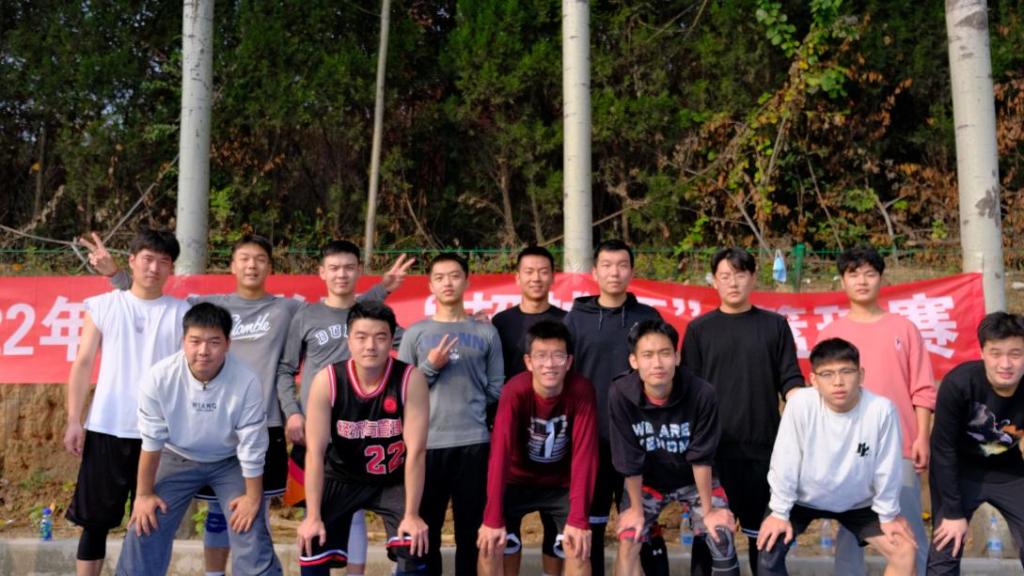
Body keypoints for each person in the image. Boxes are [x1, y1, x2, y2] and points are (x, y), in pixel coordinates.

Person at [87, 234, 412, 576]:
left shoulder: (284, 315)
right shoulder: (194, 325)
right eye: (244, 258)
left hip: (248, 437)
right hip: (183, 450)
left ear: (271, 267)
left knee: (250, 518)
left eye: (260, 259)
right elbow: (151, 297)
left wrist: (382, 289)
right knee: (164, 516)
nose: (204, 349)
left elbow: (340, 308)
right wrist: (115, 276)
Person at [276, 240, 411, 575]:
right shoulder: (306, 315)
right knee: (321, 510)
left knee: (358, 509)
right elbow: (285, 369)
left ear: (359, 270)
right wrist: (293, 412)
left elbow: (411, 342)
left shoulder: (369, 315)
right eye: (334, 268)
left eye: (349, 268)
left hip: (363, 429)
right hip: (318, 430)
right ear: (321, 272)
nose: (341, 275)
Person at [115, 303, 281, 575]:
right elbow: (152, 442)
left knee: (249, 523)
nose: (203, 351)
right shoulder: (159, 378)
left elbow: (252, 446)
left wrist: (253, 498)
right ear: (183, 341)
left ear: (227, 344)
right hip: (176, 455)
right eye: (195, 341)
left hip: (230, 460)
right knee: (146, 521)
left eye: (214, 342)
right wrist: (143, 495)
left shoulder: (246, 381)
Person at [64, 229, 191, 576]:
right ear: (132, 261)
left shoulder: (183, 313)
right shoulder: (103, 306)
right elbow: (83, 363)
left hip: (160, 436)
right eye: (147, 259)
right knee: (94, 523)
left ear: (171, 269)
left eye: (164, 261)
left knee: (150, 523)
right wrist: (74, 419)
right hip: (107, 426)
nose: (154, 268)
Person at [682, 247, 804, 574]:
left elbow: (790, 378)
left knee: (762, 541)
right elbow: (688, 390)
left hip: (764, 450)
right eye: (725, 276)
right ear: (714, 281)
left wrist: (803, 410)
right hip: (713, 453)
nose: (733, 283)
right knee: (709, 539)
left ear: (753, 278)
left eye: (740, 275)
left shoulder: (775, 326)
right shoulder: (699, 330)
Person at [817, 245, 935, 575]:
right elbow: (821, 398)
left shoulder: (904, 328)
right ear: (842, 281)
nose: (862, 281)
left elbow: (922, 389)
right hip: (846, 452)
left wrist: (922, 437)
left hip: (899, 448)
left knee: (909, 531)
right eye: (854, 274)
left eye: (870, 274)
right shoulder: (831, 334)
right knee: (850, 535)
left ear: (881, 279)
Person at [757, 338, 917, 576]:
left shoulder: (881, 409)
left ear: (861, 375)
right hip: (801, 500)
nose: (838, 382)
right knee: (768, 552)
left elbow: (887, 467)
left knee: (904, 550)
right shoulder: (800, 404)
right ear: (814, 380)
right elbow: (785, 461)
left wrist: (888, 514)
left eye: (846, 371)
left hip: (859, 502)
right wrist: (780, 512)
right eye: (827, 374)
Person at [296, 301, 430, 575]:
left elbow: (416, 451)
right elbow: (315, 453)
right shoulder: (328, 380)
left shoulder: (410, 379)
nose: (370, 346)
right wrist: (312, 516)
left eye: (380, 337)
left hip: (392, 480)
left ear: (391, 340)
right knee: (311, 543)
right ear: (349, 340)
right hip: (342, 477)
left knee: (414, 543)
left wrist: (412, 514)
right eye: (361, 337)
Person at [398, 253, 505, 575]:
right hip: (426, 446)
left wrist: (473, 406)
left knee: (471, 534)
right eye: (440, 277)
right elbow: (402, 391)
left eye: (455, 276)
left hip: (474, 444)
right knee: (425, 533)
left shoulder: (486, 332)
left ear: (467, 281)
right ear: (430, 285)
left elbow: (497, 387)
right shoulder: (415, 333)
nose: (448, 283)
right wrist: (430, 366)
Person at [562, 239, 663, 576]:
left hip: (638, 440)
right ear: (594, 272)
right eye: (606, 265)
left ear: (632, 271)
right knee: (588, 529)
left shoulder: (647, 318)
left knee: (638, 530)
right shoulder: (576, 319)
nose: (614, 273)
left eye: (622, 265)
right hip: (589, 440)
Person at [609, 320, 739, 576]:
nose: (657, 363)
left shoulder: (702, 393)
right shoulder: (621, 394)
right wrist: (635, 510)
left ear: (677, 357)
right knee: (629, 536)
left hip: (693, 479)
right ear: (634, 361)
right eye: (648, 355)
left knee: (719, 535)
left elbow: (701, 458)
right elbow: (628, 459)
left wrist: (709, 512)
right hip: (648, 481)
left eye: (665, 353)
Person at [477, 321, 598, 576]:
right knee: (490, 545)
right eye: (541, 356)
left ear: (569, 361)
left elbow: (585, 456)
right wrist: (492, 518)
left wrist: (578, 520)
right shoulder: (515, 390)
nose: (549, 364)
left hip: (561, 484)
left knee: (578, 547)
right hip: (516, 481)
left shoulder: (582, 390)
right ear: (528, 362)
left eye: (558, 356)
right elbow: (499, 453)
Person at [490, 245, 567, 574]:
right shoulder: (501, 322)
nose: (536, 278)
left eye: (543, 271)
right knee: (508, 531)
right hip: (511, 434)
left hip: (556, 432)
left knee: (556, 531)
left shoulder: (567, 321)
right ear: (517, 277)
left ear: (553, 276)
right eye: (529, 272)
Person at [927, 312, 1024, 574]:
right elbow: (942, 449)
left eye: (1016, 354)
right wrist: (952, 512)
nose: (1005, 364)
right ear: (982, 353)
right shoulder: (960, 383)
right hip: (957, 470)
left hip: (1009, 472)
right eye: (996, 353)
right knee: (947, 546)